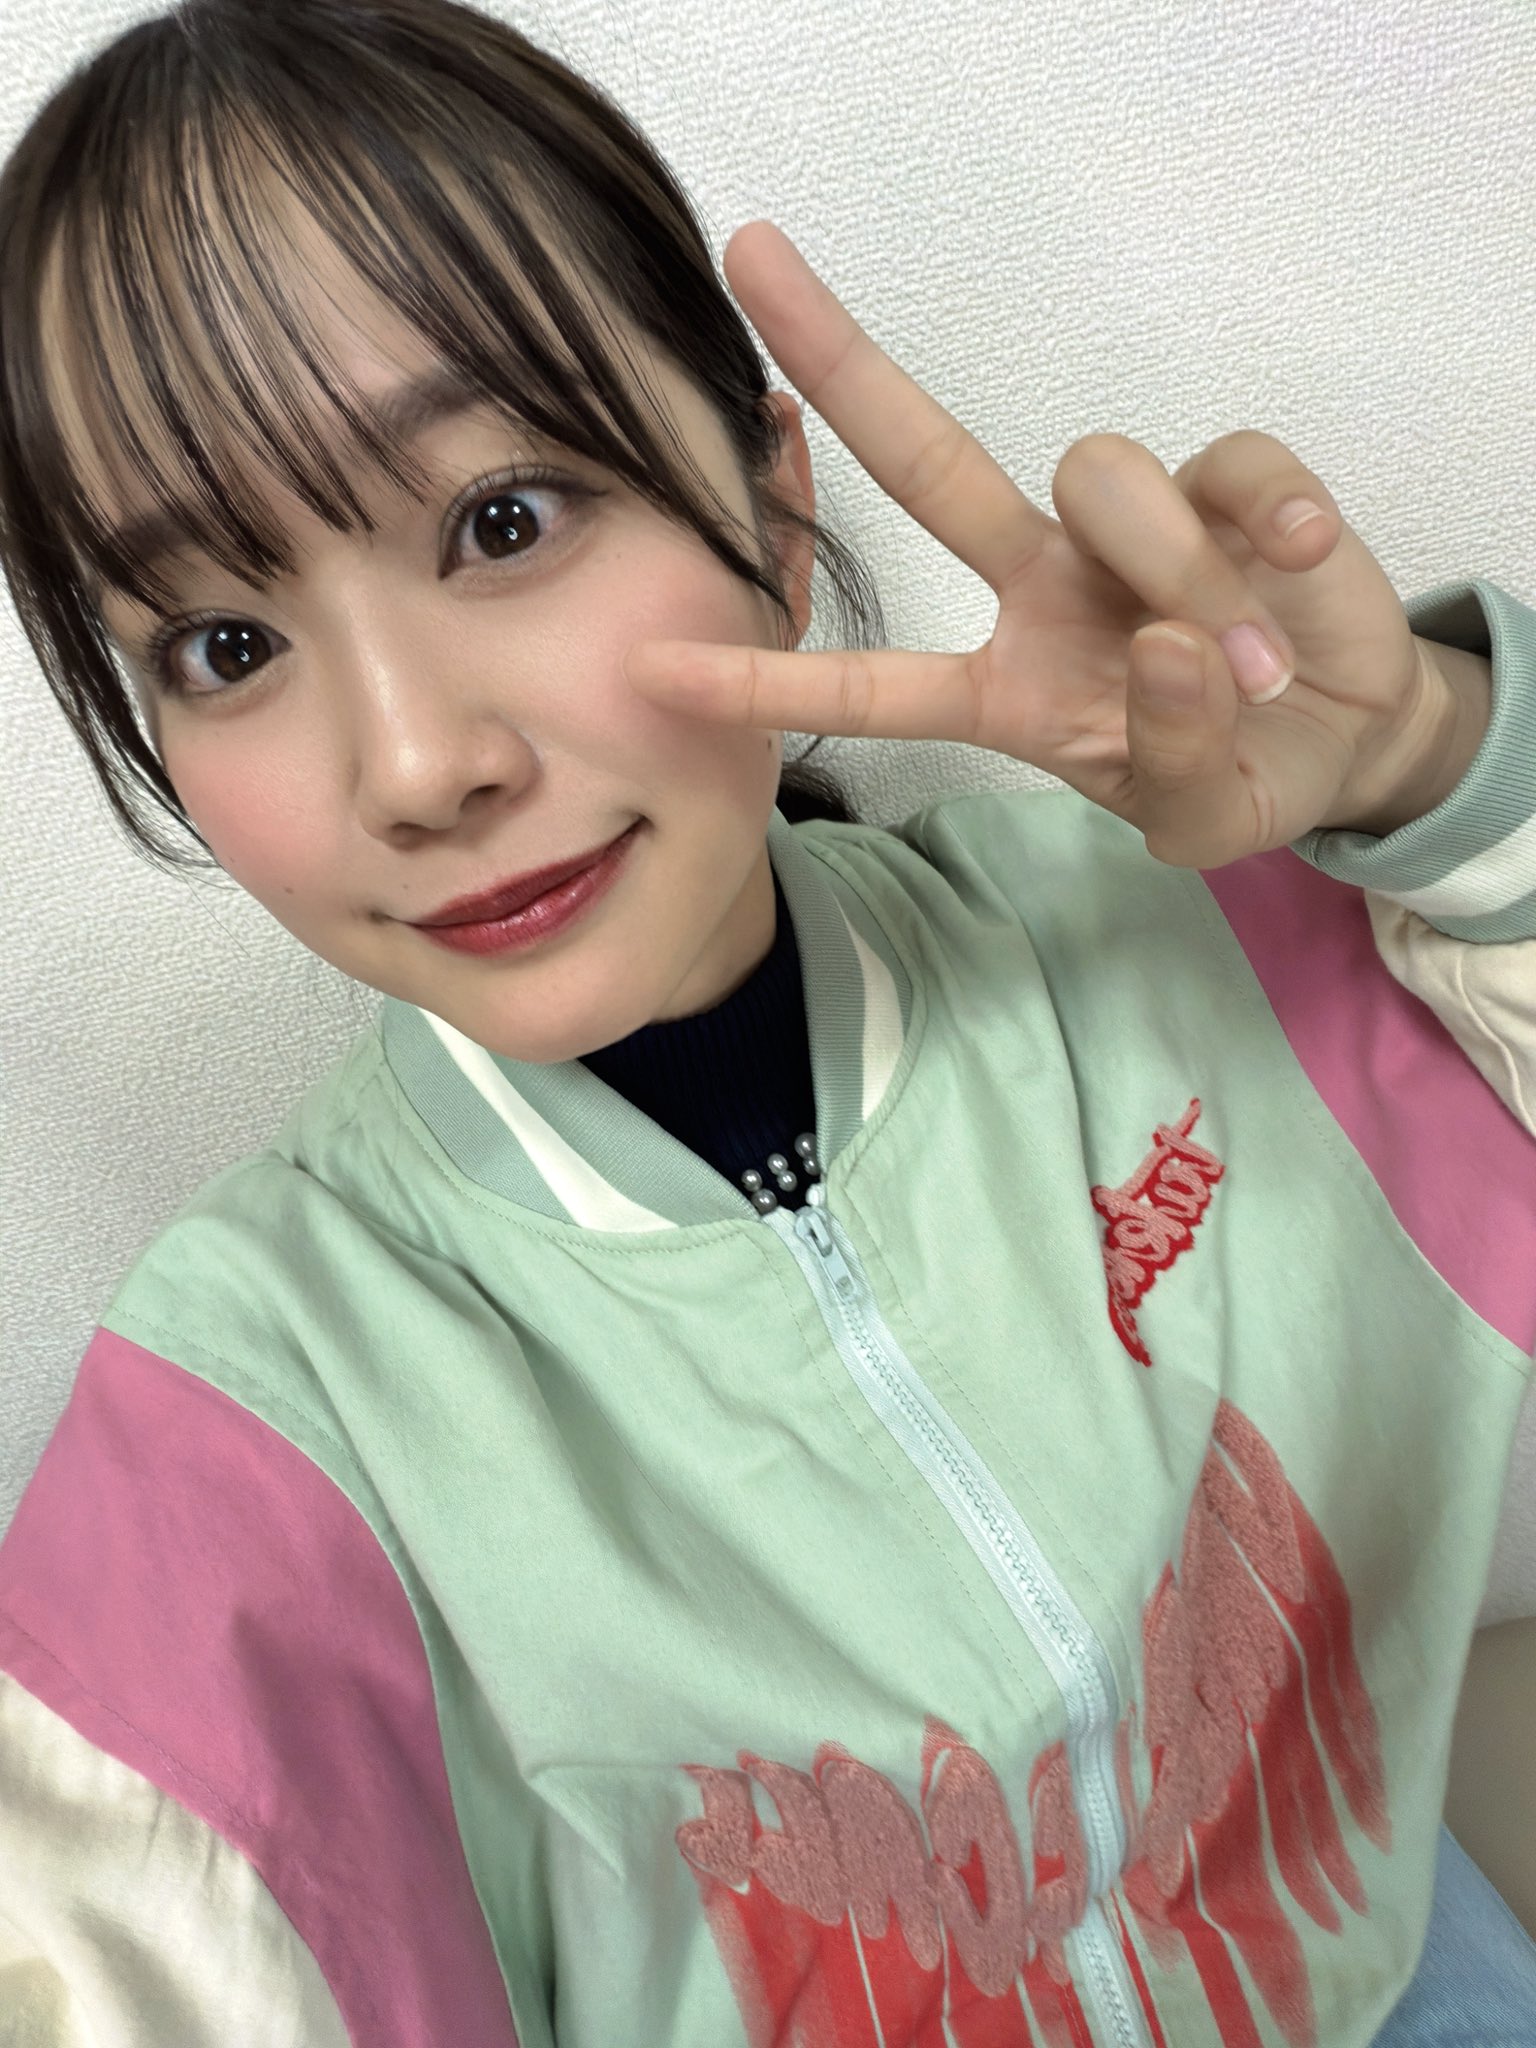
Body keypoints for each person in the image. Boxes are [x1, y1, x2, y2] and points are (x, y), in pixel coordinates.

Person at [0, 2, 1532, 2043]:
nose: (418, 763)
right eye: (222, 642)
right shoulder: (255, 1419)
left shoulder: (1176, 935)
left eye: (502, 520)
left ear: (773, 511)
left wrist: (1439, 777)